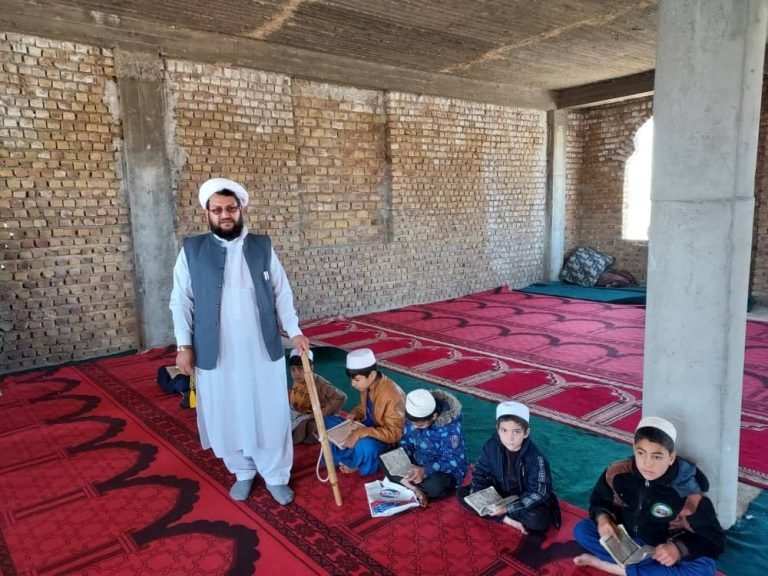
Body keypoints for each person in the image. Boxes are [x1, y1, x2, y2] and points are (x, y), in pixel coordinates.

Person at [169, 177, 309, 505]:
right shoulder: (191, 250)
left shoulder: (262, 247)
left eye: (230, 208)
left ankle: (275, 475)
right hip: (216, 350)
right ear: (207, 213)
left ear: (241, 209)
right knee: (226, 410)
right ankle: (242, 471)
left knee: (269, 411)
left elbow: (281, 292)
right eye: (217, 210)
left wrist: (294, 330)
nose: (225, 215)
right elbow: (181, 301)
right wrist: (183, 346)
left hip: (261, 349)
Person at [572, 416, 726, 576]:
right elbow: (600, 500)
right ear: (634, 449)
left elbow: (715, 540)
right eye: (641, 453)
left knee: (705, 569)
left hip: (662, 550)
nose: (647, 463)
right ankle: (645, 571)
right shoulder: (617, 474)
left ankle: (610, 566)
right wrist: (603, 518)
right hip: (627, 538)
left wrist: (678, 549)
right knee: (582, 530)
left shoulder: (688, 493)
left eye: (657, 456)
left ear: (671, 458)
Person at [458, 401, 560, 534]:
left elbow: (539, 492)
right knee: (462, 494)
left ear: (526, 432)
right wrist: (478, 498)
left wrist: (509, 508)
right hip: (499, 493)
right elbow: (480, 473)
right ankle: (506, 520)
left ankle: (501, 514)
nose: (510, 438)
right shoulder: (491, 446)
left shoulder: (536, 459)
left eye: (516, 432)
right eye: (504, 430)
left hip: (521, 497)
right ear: (498, 429)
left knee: (539, 520)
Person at [324, 348, 405, 475]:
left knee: (365, 445)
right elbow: (365, 407)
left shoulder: (392, 395)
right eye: (351, 380)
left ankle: (356, 463)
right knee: (329, 421)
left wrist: (363, 432)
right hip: (365, 426)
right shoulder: (368, 384)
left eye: (356, 380)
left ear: (371, 375)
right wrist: (355, 414)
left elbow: (395, 434)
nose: (352, 384)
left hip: (382, 438)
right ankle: (350, 458)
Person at [385, 388, 469, 506]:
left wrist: (425, 471)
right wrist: (404, 457)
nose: (415, 427)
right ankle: (415, 489)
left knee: (437, 485)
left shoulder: (450, 429)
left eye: (420, 425)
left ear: (434, 416)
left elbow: (454, 461)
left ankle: (407, 485)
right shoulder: (412, 419)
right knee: (387, 455)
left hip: (442, 472)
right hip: (417, 463)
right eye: (412, 424)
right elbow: (406, 442)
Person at [288, 347, 347, 444]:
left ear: (311, 368)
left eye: (301, 369)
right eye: (293, 369)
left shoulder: (320, 383)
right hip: (299, 413)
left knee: (311, 427)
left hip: (312, 417)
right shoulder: (298, 380)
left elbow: (341, 397)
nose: (296, 373)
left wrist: (321, 413)